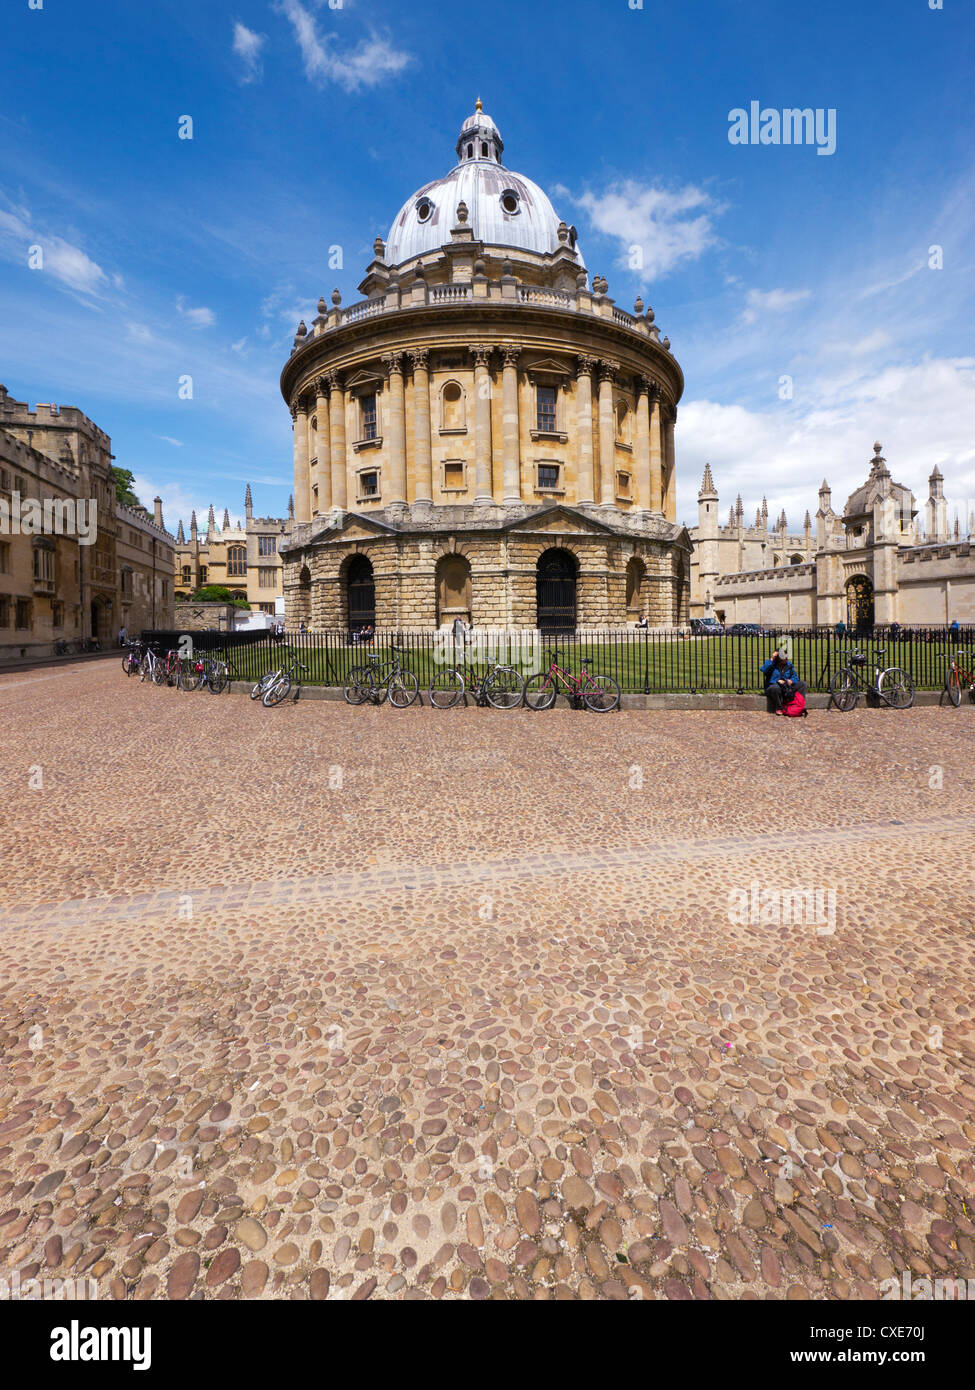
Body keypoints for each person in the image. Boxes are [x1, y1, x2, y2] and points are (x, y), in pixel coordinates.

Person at [761, 646, 807, 714]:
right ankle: (779, 707)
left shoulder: (789, 665)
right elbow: (763, 669)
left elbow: (795, 677)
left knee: (803, 684)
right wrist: (772, 658)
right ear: (779, 658)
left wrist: (791, 681)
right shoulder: (771, 665)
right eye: (784, 657)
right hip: (773, 687)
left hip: (786, 687)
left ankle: (798, 705)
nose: (786, 658)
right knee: (775, 688)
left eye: (786, 656)